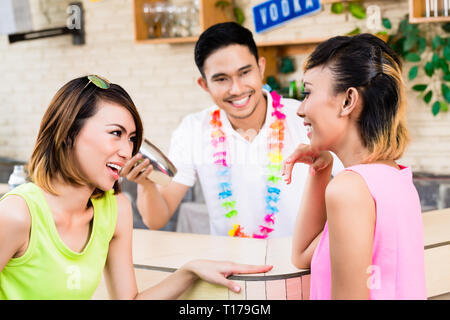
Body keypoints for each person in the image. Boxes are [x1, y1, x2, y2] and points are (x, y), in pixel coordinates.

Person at [0, 75, 272, 300]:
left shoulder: (115, 209)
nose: (127, 151)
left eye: (131, 139)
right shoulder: (17, 215)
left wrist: (188, 271)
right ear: (69, 133)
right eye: (115, 133)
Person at [121, 22, 342, 239]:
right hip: (229, 269)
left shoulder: (304, 117)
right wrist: (146, 184)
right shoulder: (193, 129)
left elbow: (358, 180)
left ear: (261, 67)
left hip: (300, 264)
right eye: (221, 79)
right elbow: (156, 219)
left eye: (244, 73)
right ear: (204, 85)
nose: (236, 89)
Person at [283, 34, 426, 299]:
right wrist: (321, 168)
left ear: (348, 101)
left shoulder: (349, 189)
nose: (300, 109)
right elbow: (303, 255)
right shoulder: (395, 177)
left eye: (308, 93)